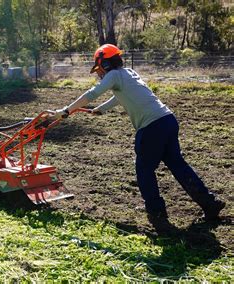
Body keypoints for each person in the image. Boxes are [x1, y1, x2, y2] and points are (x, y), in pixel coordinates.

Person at [53, 44, 225, 226]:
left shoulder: (113, 75)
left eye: (100, 68)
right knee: (177, 164)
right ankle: (209, 203)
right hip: (167, 120)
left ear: (105, 63)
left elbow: (92, 93)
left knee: (144, 168)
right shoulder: (129, 73)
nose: (99, 73)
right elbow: (120, 97)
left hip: (151, 127)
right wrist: (101, 110)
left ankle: (156, 212)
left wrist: (66, 110)